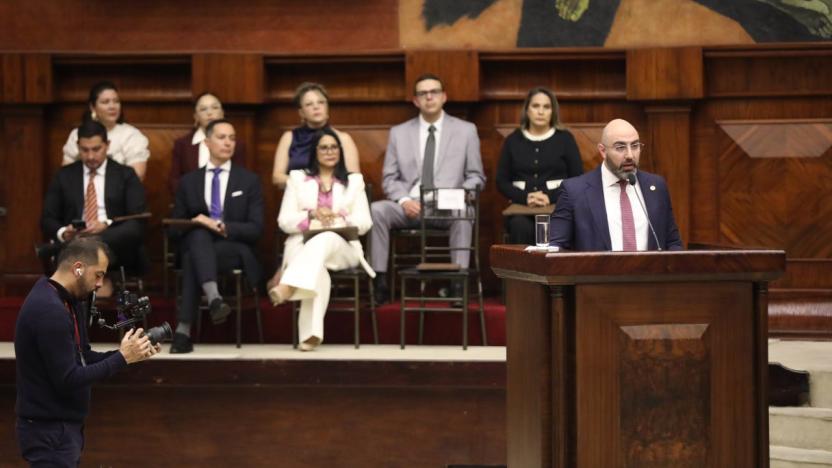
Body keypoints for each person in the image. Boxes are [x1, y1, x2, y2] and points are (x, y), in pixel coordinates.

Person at [15, 237, 158, 467]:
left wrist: (131, 354)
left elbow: (84, 356)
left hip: (62, 427)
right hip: (49, 432)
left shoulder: (69, 301)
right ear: (78, 269)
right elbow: (69, 378)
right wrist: (121, 358)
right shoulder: (48, 310)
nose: (101, 283)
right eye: (98, 274)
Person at [370, 73, 486, 304]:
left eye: (434, 92)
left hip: (447, 205)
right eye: (423, 93)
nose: (429, 97)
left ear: (444, 97)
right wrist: (404, 200)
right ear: (415, 101)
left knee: (465, 212)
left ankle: (457, 283)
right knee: (376, 210)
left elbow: (476, 176)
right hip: (410, 205)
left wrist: (458, 194)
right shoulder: (399, 133)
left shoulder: (466, 130)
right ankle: (379, 282)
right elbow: (389, 178)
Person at [270, 127, 374, 351]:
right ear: (314, 152)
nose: (330, 151)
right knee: (318, 270)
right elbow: (284, 221)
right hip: (304, 247)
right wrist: (311, 215)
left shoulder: (354, 182)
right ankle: (311, 336)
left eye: (334, 147)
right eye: (324, 147)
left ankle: (288, 284)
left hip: (343, 248)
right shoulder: (297, 179)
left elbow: (365, 223)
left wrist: (338, 217)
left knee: (326, 236)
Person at [169, 119, 264, 354]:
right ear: (207, 142)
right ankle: (214, 299)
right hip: (200, 249)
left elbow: (256, 228)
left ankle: (183, 330)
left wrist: (221, 226)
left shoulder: (249, 181)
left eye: (232, 138)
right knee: (198, 237)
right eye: (222, 137)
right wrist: (195, 222)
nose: (228, 142)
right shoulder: (188, 182)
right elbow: (173, 229)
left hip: (232, 249)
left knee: (195, 251)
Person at [548, 118, 683, 251]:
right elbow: (556, 248)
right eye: (620, 147)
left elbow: (672, 242)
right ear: (603, 151)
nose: (630, 155)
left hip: (649, 273)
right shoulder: (574, 191)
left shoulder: (656, 186)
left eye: (635, 146)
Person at [42, 119, 148, 281]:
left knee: (126, 232)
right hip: (73, 243)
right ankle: (97, 285)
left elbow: (137, 220)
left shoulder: (126, 175)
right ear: (78, 146)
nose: (90, 156)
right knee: (77, 249)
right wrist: (64, 233)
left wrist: (105, 226)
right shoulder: (64, 176)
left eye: (96, 149)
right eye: (85, 150)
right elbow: (47, 218)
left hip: (113, 242)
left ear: (107, 145)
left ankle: (82, 285)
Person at [496, 86, 584, 244]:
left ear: (553, 111)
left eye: (546, 107)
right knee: (519, 226)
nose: (541, 111)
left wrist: (549, 197)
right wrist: (526, 197)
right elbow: (501, 181)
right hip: (521, 209)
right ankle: (522, 269)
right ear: (527, 110)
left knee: (559, 226)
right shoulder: (512, 141)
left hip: (557, 208)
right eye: (535, 106)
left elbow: (577, 179)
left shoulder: (565, 139)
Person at [270, 82, 360, 189]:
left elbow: (354, 179)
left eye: (321, 102)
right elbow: (277, 178)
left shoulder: (343, 138)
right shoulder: (289, 137)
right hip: (297, 197)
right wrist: (310, 183)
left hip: (335, 198)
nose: (316, 107)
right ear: (301, 112)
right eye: (309, 104)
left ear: (327, 108)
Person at [62, 81, 150, 181]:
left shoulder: (132, 136)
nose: (112, 107)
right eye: (105, 102)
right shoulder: (77, 134)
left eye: (116, 101)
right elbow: (65, 177)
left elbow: (136, 178)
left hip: (119, 193)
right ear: (92, 107)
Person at [168, 92, 247, 194]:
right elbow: (175, 180)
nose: (209, 113)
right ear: (196, 117)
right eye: (203, 109)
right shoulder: (182, 144)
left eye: (214, 108)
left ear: (222, 113)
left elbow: (241, 180)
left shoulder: (236, 144)